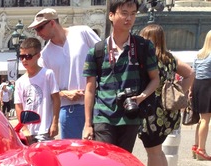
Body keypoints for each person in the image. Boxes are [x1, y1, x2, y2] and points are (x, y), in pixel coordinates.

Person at [83, 0, 160, 153]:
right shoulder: (96, 51)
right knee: (105, 161)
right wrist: (87, 124)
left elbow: (155, 79)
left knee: (123, 161)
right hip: (103, 115)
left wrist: (141, 97)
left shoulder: (143, 46)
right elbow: (90, 89)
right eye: (124, 13)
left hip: (130, 115)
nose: (129, 18)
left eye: (133, 14)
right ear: (111, 15)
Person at [137, 24, 194, 166]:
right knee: (158, 148)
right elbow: (190, 73)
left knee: (153, 152)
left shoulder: (148, 58)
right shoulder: (170, 58)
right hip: (167, 109)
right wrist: (179, 91)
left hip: (151, 110)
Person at [29, 8, 100, 139]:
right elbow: (47, 88)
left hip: (97, 104)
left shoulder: (82, 32)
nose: (38, 33)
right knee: (73, 156)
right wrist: (64, 93)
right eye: (36, 30)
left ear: (52, 23)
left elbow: (104, 57)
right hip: (69, 110)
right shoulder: (45, 54)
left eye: (40, 28)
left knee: (100, 153)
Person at [14, 37, 60, 140]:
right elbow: (19, 106)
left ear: (38, 55)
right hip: (27, 132)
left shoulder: (48, 74)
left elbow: (56, 99)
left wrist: (55, 123)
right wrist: (24, 128)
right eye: (21, 57)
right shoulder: (20, 82)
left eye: (28, 56)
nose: (24, 60)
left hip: (45, 129)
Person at [191, 29, 211, 161]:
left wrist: (191, 90)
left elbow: (193, 72)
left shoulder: (199, 54)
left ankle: (196, 145)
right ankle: (201, 150)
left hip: (197, 85)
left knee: (200, 118)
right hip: (207, 85)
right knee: (206, 119)